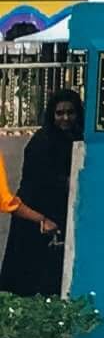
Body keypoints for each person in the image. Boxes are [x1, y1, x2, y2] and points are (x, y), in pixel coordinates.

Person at [1, 88, 83, 295]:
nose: (65, 118)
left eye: (70, 112)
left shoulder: (77, 139)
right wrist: (42, 219)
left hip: (58, 218)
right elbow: (25, 190)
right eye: (59, 113)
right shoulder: (42, 142)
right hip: (34, 218)